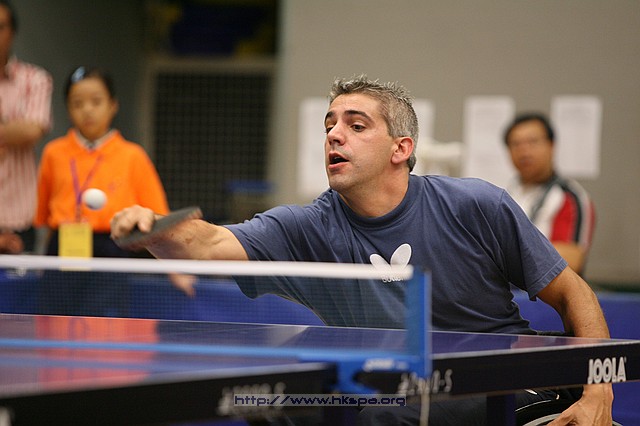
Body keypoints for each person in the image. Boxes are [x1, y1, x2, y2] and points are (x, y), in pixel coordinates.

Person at [110, 75, 613, 425]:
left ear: (401, 148)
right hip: (385, 380)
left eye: (355, 125)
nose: (334, 134)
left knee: (384, 416)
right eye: (329, 124)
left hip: (493, 377)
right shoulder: (307, 228)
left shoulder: (476, 204)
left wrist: (598, 389)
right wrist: (153, 230)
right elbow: (208, 243)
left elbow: (574, 294)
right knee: (268, 401)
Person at [34, 66, 193, 316]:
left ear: (113, 105)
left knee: (104, 324)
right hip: (63, 247)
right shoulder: (53, 153)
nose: (87, 110)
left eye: (96, 101)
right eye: (78, 103)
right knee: (56, 321)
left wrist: (175, 270)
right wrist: (41, 260)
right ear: (67, 108)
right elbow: (45, 219)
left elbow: (159, 217)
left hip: (111, 247)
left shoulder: (133, 156)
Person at [504, 112, 596, 276]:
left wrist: (508, 253)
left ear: (551, 145)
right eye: (516, 144)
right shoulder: (504, 194)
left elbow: (571, 260)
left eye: (533, 142)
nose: (524, 151)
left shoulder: (570, 197)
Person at [0, 0, 52, 253]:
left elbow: (32, 130)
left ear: (12, 32)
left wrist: (23, 131)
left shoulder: (35, 79)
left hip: (20, 217)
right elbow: (22, 130)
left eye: (0, 27)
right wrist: (12, 132)